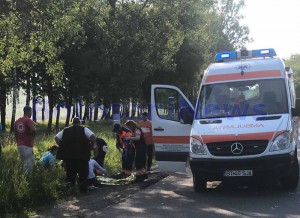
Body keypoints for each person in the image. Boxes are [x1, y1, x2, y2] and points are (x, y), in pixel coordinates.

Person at [55, 117, 97, 193]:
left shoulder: (66, 130)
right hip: (82, 156)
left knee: (70, 174)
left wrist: (63, 146)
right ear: (79, 123)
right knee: (83, 173)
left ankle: (70, 191)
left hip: (69, 156)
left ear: (72, 123)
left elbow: (56, 138)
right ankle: (82, 191)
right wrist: (91, 146)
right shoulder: (83, 129)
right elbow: (93, 137)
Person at [14, 105, 36, 174]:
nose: (31, 114)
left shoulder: (17, 121)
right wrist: (32, 138)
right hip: (27, 145)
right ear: (29, 111)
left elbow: (15, 133)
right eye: (31, 112)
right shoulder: (28, 120)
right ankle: (28, 180)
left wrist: (18, 142)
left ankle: (23, 178)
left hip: (19, 145)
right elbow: (33, 130)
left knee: (23, 163)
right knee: (29, 164)